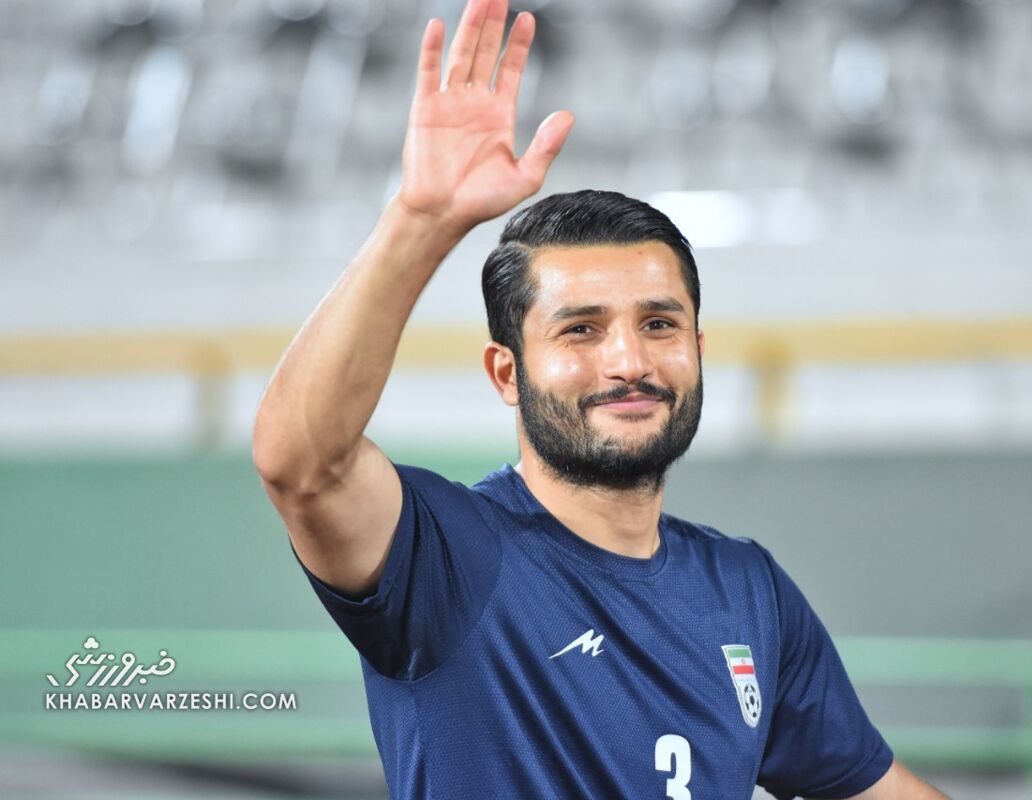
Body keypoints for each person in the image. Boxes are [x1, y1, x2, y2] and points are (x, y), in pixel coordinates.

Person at [253, 0, 947, 797]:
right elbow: (301, 463)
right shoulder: (448, 561)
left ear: (697, 349)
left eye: (659, 324)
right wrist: (421, 220)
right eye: (580, 330)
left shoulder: (748, 591)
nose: (629, 361)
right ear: (506, 374)